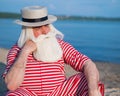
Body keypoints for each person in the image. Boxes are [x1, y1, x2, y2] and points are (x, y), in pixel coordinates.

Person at [3, 6, 104, 96]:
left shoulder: (58, 45)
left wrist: (93, 90)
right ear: (27, 30)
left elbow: (87, 63)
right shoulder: (16, 50)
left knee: (89, 79)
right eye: (38, 27)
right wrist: (25, 52)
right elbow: (12, 85)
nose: (45, 31)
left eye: (46, 25)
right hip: (28, 93)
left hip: (59, 92)